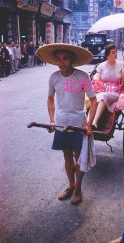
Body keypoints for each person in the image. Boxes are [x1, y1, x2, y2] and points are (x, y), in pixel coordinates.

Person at [36, 43, 97, 205]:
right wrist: (51, 120)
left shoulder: (83, 77)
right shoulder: (54, 77)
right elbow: (50, 99)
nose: (61, 62)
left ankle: (78, 188)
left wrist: (89, 124)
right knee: (67, 156)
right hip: (61, 124)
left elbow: (93, 100)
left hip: (79, 125)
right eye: (59, 59)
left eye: (65, 59)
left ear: (72, 60)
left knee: (79, 158)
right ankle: (70, 185)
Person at [91, 44, 124, 130]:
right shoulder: (101, 65)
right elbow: (96, 76)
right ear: (107, 55)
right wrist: (99, 83)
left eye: (116, 52)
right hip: (102, 89)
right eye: (113, 53)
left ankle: (94, 122)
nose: (115, 54)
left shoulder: (121, 65)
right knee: (94, 98)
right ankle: (88, 121)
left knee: (103, 97)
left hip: (115, 92)